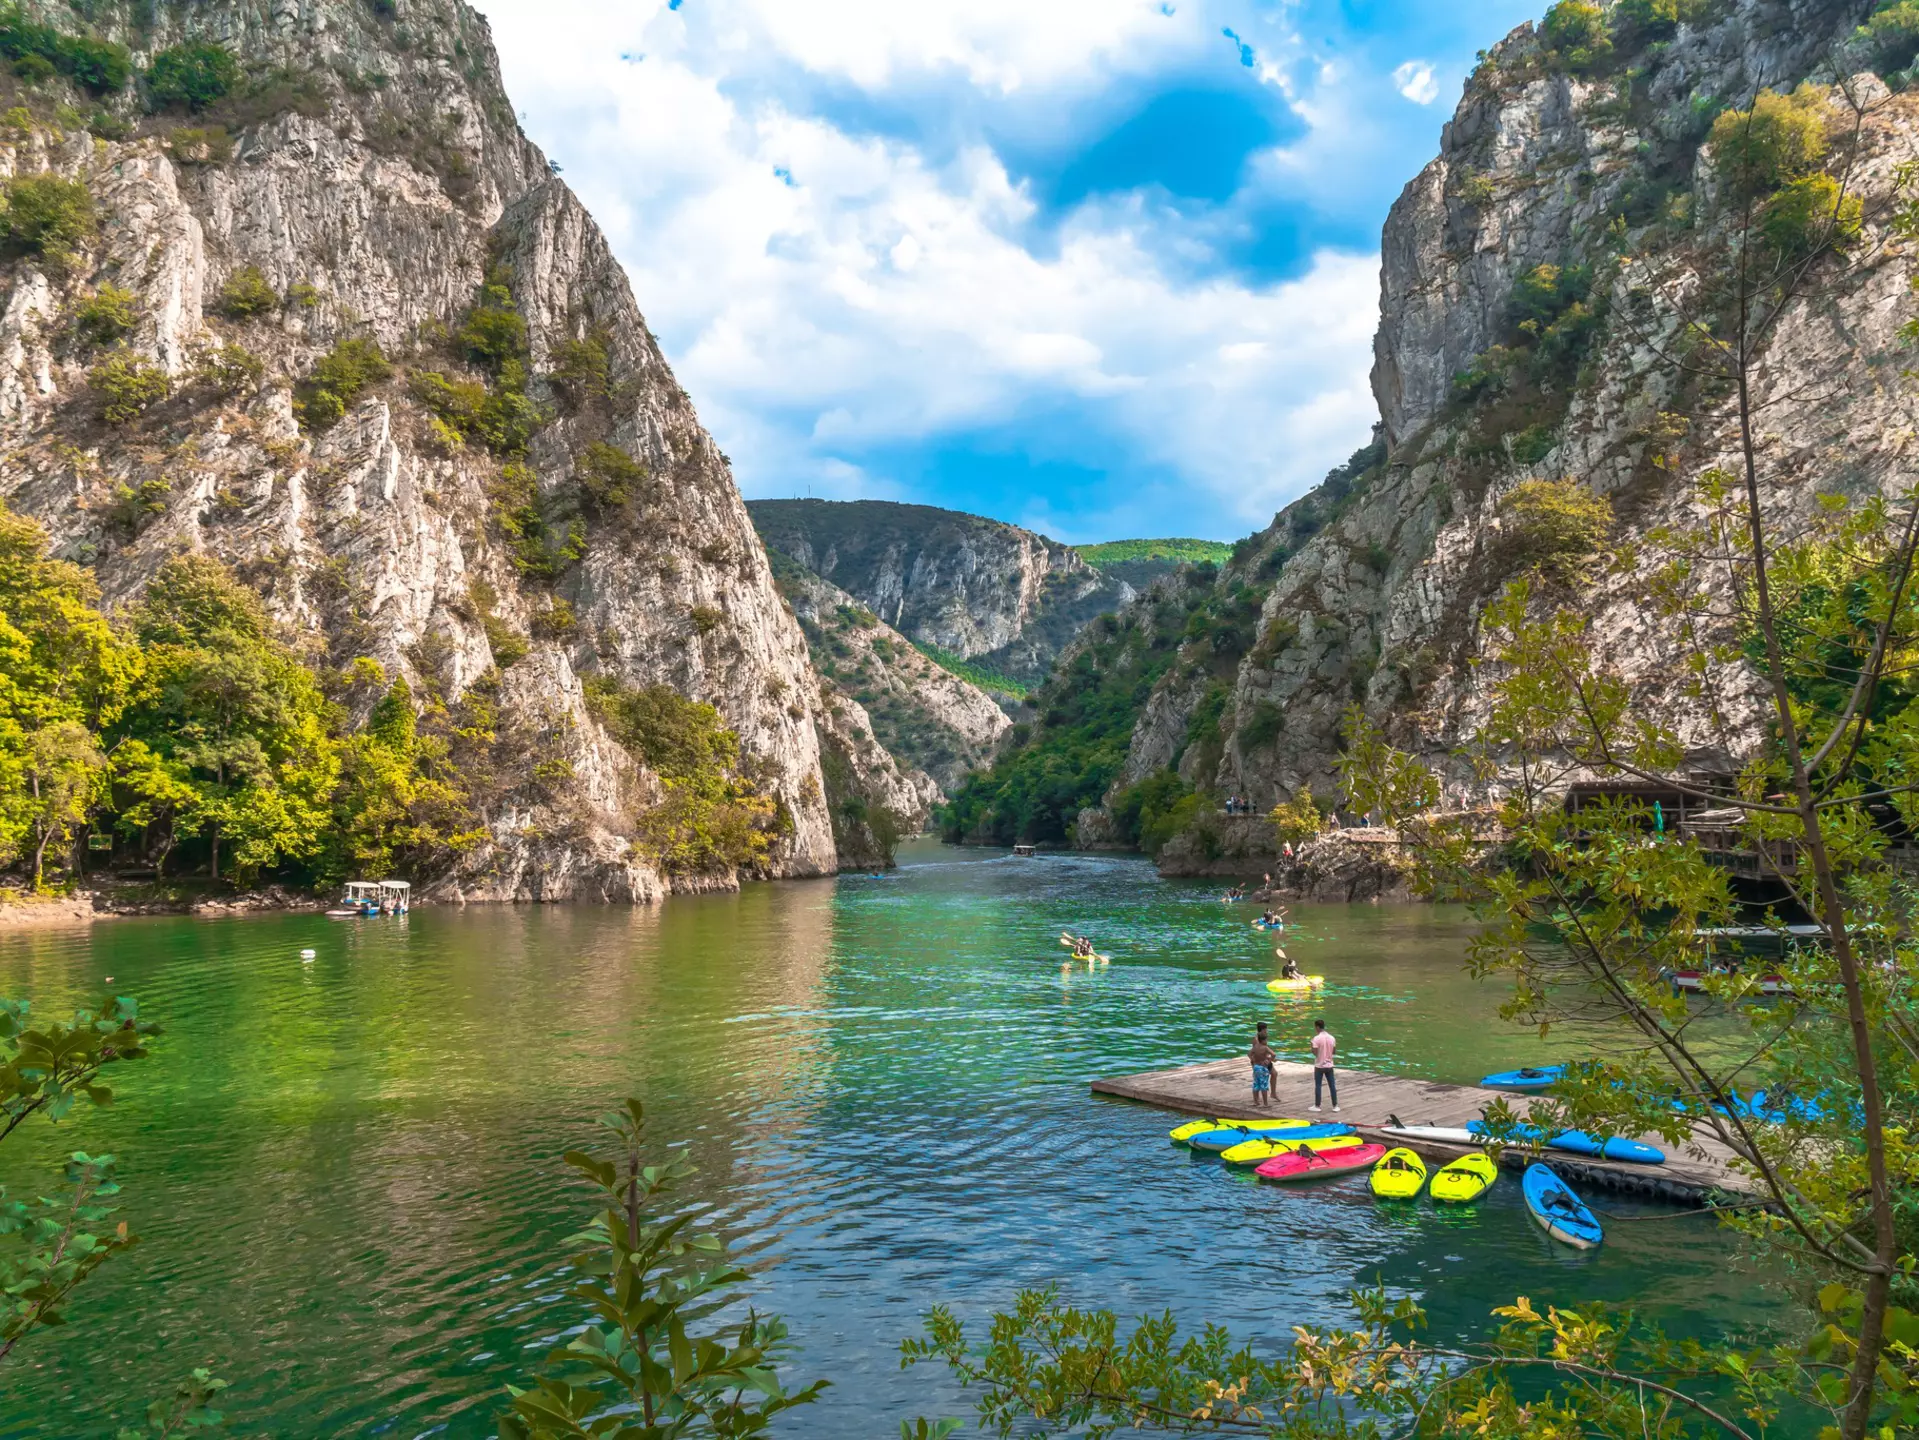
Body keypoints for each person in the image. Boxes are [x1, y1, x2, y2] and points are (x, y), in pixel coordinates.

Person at [1308, 1018, 1339, 1113]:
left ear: (1317, 1027)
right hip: (1329, 1065)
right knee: (1332, 1085)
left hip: (1319, 1065)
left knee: (1318, 1085)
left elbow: (1315, 1053)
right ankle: (1335, 1105)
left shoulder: (1316, 1039)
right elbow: (1334, 1051)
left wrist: (1311, 1047)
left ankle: (1317, 1105)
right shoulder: (1332, 1038)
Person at [1249, 1023, 1276, 1110]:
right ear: (1262, 1030)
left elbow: (1251, 1053)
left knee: (1273, 1074)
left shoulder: (1262, 1038)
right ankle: (1264, 1102)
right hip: (1262, 1064)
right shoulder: (1257, 1040)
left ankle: (1271, 1094)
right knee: (1263, 1083)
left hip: (1261, 1063)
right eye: (1265, 1029)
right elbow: (1254, 1054)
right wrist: (1254, 1062)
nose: (1266, 1031)